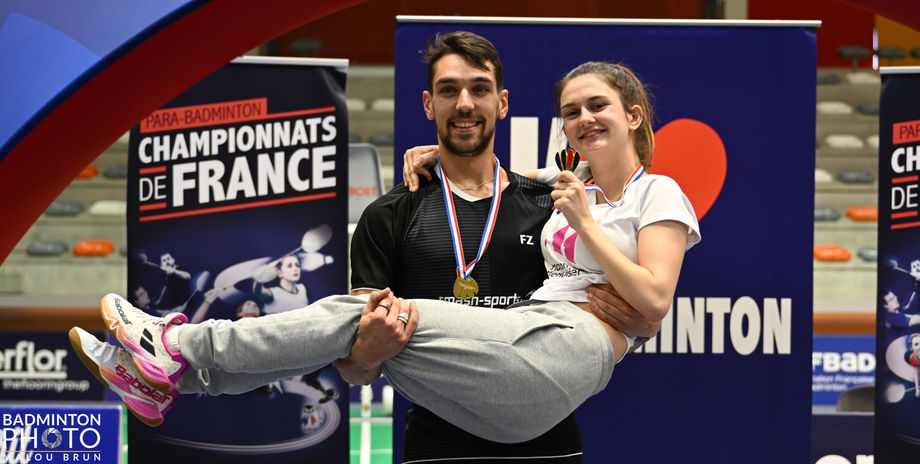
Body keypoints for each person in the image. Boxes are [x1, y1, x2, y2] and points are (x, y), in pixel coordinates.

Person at [69, 58, 700, 445]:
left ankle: (176, 346)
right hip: (525, 342)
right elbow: (517, 177)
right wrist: (440, 157)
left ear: (636, 116)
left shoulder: (658, 193)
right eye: (571, 111)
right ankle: (170, 383)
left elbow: (653, 302)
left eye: (599, 107)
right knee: (368, 330)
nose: (583, 119)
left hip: (571, 348)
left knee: (365, 309)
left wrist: (588, 228)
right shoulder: (568, 186)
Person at [337, 31, 655, 463]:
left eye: (479, 89)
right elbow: (356, 369)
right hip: (437, 449)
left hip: (547, 447)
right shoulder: (387, 216)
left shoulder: (554, 209)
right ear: (429, 104)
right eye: (449, 90)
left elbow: (630, 301)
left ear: (501, 103)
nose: (465, 103)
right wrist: (365, 356)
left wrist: (640, 324)